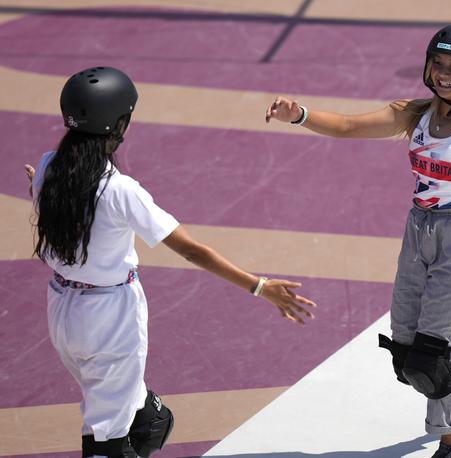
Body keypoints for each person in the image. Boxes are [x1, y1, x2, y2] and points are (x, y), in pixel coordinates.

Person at [265, 24, 451, 458]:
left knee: (431, 358)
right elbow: (348, 127)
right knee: (407, 350)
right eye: (438, 63)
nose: (444, 73)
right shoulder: (415, 114)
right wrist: (298, 113)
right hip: (418, 230)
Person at [24, 66, 317, 458]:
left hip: (62, 310)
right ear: (121, 123)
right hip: (109, 317)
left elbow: (62, 210)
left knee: (149, 422)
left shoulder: (47, 168)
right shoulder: (120, 190)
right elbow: (192, 250)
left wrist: (36, 188)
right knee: (105, 439)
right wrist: (260, 287)